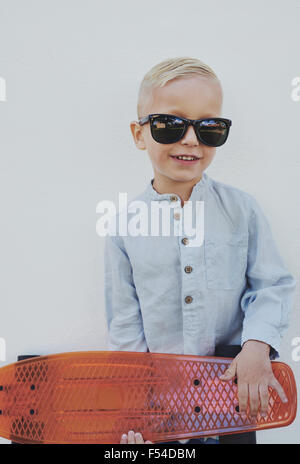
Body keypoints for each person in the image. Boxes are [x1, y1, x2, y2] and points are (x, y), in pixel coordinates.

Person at [103, 57, 297, 445]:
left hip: (234, 402)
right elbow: (126, 329)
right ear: (140, 134)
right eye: (169, 125)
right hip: (161, 412)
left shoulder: (243, 210)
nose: (190, 139)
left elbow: (272, 285)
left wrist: (258, 346)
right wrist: (134, 410)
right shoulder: (123, 227)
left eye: (209, 127)